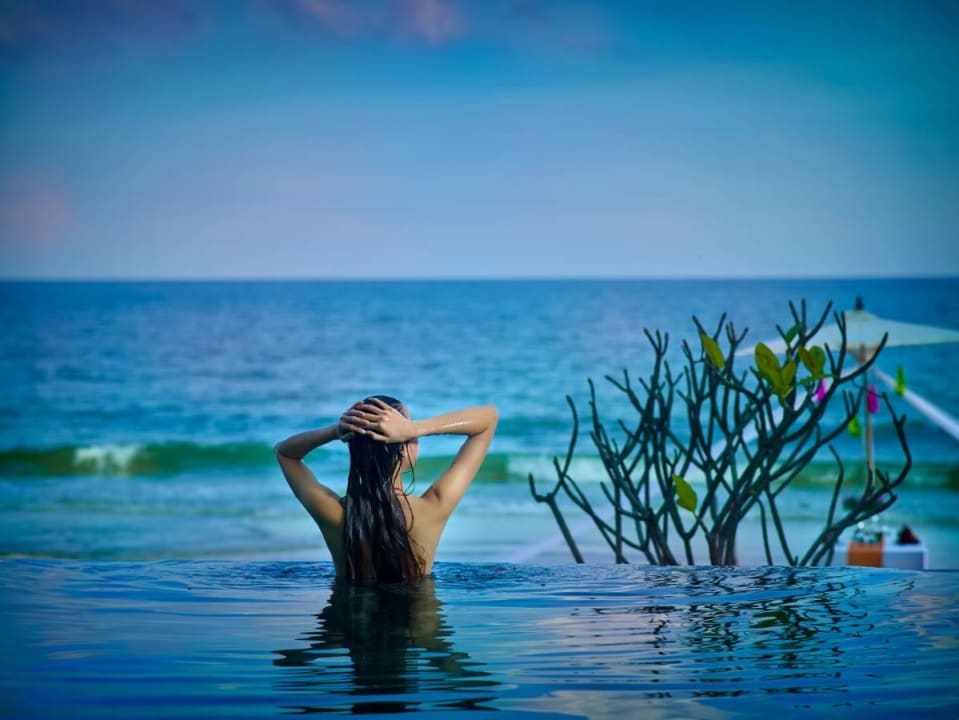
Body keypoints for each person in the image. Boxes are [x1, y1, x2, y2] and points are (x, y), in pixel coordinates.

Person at [274, 397, 498, 584]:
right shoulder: (433, 507)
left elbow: (284, 453)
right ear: (403, 447)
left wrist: (335, 431)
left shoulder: (334, 512)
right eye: (410, 434)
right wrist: (416, 428)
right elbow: (488, 418)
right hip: (419, 634)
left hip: (350, 631)